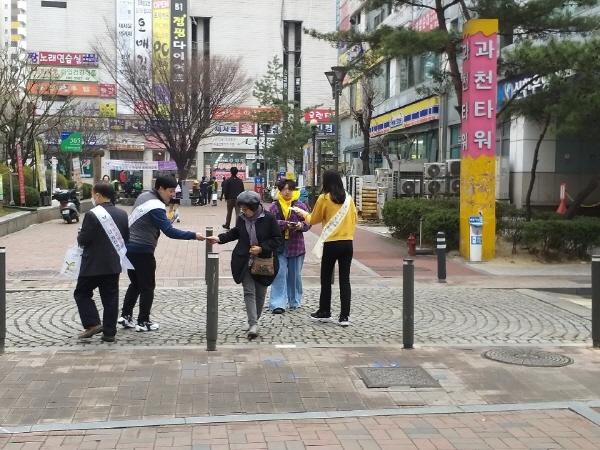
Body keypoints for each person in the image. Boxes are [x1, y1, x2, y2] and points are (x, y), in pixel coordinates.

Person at [118, 176, 205, 332]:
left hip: (129, 249)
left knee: (136, 284)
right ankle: (143, 322)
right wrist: (194, 235)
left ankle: (126, 316)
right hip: (142, 250)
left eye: (174, 191)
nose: (172, 194)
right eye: (170, 191)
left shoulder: (144, 196)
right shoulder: (156, 206)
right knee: (147, 286)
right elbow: (169, 232)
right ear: (160, 188)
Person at [207, 191, 282, 339]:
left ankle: (254, 321)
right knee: (249, 291)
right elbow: (236, 232)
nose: (243, 211)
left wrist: (262, 248)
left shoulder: (268, 218)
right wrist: (220, 238)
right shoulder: (242, 218)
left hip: (264, 261)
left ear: (254, 207)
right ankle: (253, 323)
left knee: (260, 293)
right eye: (241, 208)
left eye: (245, 209)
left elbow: (277, 239)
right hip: (244, 260)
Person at [292, 171, 357, 327]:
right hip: (348, 243)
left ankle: (325, 311)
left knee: (326, 278)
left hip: (331, 243)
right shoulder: (349, 198)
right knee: (345, 280)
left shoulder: (324, 198)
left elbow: (313, 219)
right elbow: (355, 218)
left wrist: (302, 213)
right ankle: (344, 317)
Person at [74, 182, 129, 342]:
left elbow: (83, 240)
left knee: (81, 293)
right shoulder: (122, 214)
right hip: (113, 264)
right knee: (110, 298)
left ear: (98, 195)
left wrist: (80, 235)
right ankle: (109, 333)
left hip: (92, 264)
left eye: (93, 194)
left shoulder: (92, 214)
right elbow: (126, 238)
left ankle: (92, 324)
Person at [268, 179, 310, 314]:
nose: (287, 192)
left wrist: (301, 225)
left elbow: (308, 221)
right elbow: (270, 223)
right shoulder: (274, 206)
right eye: (284, 189)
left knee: (295, 275)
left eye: (290, 189)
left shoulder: (300, 205)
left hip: (296, 245)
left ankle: (294, 301)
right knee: (279, 274)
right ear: (280, 191)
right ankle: (277, 303)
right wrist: (285, 224)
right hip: (279, 245)